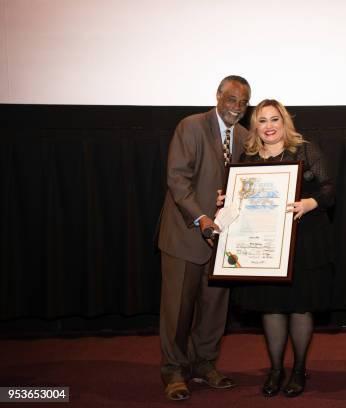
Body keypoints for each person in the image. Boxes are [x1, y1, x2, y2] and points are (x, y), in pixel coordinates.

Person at [231, 99, 335, 398]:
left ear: (284, 122)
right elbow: (242, 197)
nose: (269, 126)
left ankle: (299, 369)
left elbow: (329, 189)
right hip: (266, 244)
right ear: (255, 127)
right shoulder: (248, 157)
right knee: (271, 305)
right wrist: (229, 201)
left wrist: (309, 203)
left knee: (301, 307)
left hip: (305, 242)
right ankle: (276, 370)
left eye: (274, 119)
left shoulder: (305, 150)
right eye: (262, 121)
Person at [156, 75, 251, 401]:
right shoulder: (191, 126)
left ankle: (205, 364)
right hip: (186, 235)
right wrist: (202, 217)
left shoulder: (244, 136)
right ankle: (173, 370)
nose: (236, 108)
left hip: (223, 242)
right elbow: (177, 179)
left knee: (214, 310)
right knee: (177, 310)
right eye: (231, 100)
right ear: (218, 96)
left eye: (243, 103)